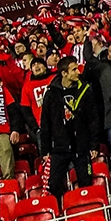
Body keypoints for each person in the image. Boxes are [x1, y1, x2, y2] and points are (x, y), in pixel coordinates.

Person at [39, 56, 101, 196]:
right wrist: (45, 150)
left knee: (86, 182)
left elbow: (93, 120)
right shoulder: (51, 94)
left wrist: (94, 145)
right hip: (59, 148)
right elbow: (45, 123)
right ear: (64, 73)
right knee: (54, 185)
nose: (78, 72)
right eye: (74, 70)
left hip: (81, 147)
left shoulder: (84, 90)